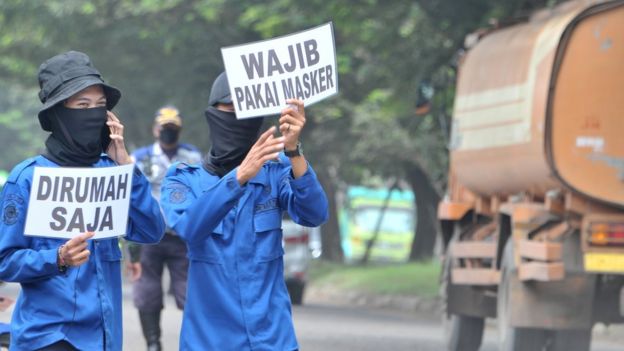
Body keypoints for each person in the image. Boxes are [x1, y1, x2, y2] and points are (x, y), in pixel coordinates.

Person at [0, 51, 165, 351]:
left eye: (100, 106)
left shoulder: (111, 172)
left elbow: (151, 230)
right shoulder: (27, 179)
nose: (93, 114)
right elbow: (5, 261)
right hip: (48, 337)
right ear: (60, 115)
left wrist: (126, 166)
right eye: (82, 106)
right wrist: (57, 258)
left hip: (104, 337)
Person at [160, 72, 329, 351]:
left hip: (272, 339)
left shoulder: (276, 173)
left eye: (247, 111)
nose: (239, 119)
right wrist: (238, 177)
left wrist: (293, 150)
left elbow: (315, 214)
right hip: (209, 342)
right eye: (231, 110)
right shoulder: (182, 179)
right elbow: (189, 228)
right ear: (213, 114)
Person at [127, 106, 201, 351]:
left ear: (179, 130)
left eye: (173, 128)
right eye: (164, 127)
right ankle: (153, 344)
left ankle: (194, 342)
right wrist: (133, 250)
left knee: (190, 293)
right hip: (150, 236)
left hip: (183, 236)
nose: (168, 131)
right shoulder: (140, 157)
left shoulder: (192, 157)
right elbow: (132, 200)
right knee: (147, 292)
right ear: (155, 129)